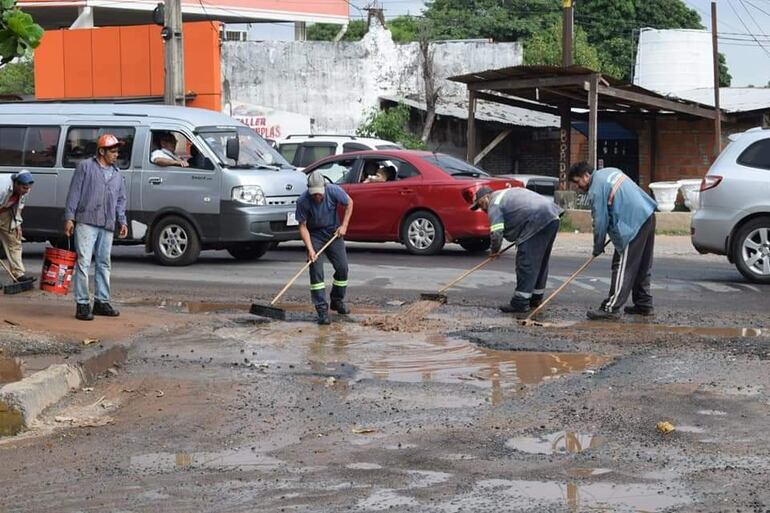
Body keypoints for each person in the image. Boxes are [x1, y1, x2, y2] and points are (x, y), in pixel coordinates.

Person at [568, 162, 657, 320]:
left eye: (577, 182)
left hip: (632, 223)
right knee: (642, 264)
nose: (578, 187)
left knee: (623, 266)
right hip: (648, 214)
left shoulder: (595, 189)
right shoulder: (610, 171)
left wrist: (598, 246)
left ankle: (611, 308)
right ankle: (644, 304)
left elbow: (600, 222)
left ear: (586, 176)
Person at [64, 134, 128, 321]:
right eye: (113, 151)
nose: (116, 154)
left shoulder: (117, 174)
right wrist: (69, 218)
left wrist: (122, 221)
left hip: (107, 223)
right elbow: (74, 193)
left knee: (104, 263)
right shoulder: (85, 167)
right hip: (86, 220)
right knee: (83, 262)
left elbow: (121, 200)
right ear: (102, 151)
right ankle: (82, 304)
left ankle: (101, 301)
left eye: (117, 151)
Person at [471, 185, 563, 314]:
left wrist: (494, 251)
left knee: (526, 262)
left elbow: (497, 233)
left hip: (538, 218)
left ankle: (520, 302)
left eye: (480, 205)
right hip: (552, 217)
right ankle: (535, 298)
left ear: (485, 197)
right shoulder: (504, 194)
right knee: (540, 261)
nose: (482, 209)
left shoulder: (494, 203)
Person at [295, 170, 354, 325]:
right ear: (309, 190)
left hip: (333, 233)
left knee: (343, 268)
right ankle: (321, 309)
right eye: (314, 194)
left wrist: (344, 226)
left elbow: (349, 203)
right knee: (316, 271)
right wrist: (310, 249)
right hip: (314, 235)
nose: (317, 197)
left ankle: (337, 300)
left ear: (324, 187)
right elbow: (302, 226)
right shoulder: (303, 201)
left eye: (319, 193)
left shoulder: (333, 191)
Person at [0, 170, 35, 283]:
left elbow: (19, 207)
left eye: (28, 188)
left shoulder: (25, 190)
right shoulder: (2, 186)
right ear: (16, 184)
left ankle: (18, 275)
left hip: (5, 212)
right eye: (24, 188)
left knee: (15, 241)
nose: (27, 190)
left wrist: (17, 224)